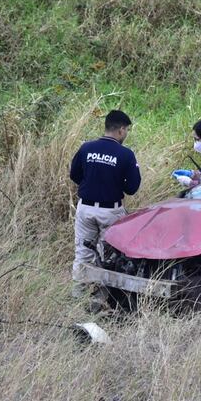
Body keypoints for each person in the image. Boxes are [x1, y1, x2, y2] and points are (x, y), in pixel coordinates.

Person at [70, 110, 141, 296]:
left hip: (85, 208)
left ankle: (78, 296)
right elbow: (132, 188)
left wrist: (92, 185)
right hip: (110, 212)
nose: (126, 134)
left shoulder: (86, 148)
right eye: (126, 130)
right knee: (108, 257)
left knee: (83, 254)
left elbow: (74, 175)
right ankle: (101, 299)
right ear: (121, 130)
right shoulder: (126, 155)